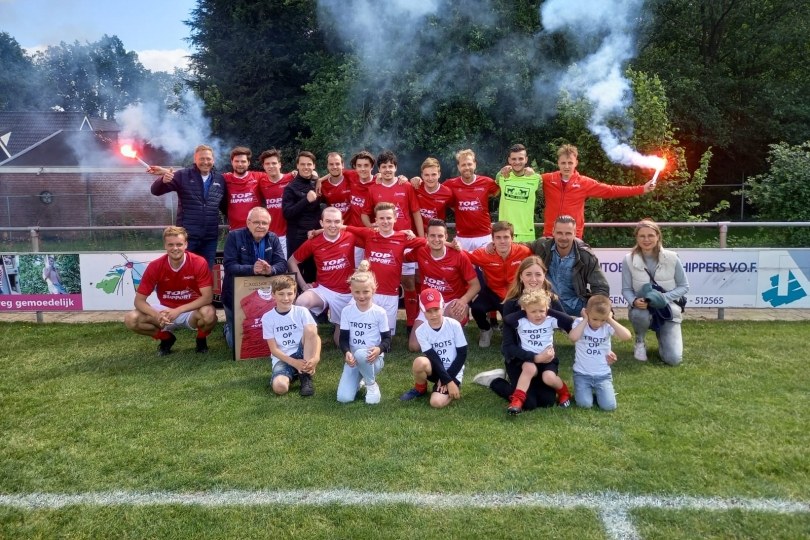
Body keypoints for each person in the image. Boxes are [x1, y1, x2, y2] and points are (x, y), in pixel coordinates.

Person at [473, 256, 565, 410]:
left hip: (545, 360)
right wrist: (534, 357)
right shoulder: (511, 303)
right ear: (521, 276)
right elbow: (507, 347)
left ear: (544, 275)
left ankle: (529, 384)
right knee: (528, 403)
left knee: (547, 401)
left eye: (538, 274)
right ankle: (495, 381)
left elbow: (567, 323)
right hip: (519, 359)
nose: (533, 279)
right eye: (528, 274)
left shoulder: (551, 299)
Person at [124, 226, 217, 356]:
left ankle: (201, 339)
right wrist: (156, 315)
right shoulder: (155, 266)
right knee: (131, 319)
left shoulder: (198, 262)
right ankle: (166, 338)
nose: (175, 248)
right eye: (171, 245)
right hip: (165, 312)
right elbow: (139, 301)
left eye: (179, 244)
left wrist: (178, 310)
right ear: (165, 246)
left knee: (209, 313)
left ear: (186, 245)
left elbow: (207, 297)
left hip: (190, 311)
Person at [540, 144, 656, 238]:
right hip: (550, 234)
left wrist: (641, 189)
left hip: (573, 235)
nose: (566, 166)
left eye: (570, 163)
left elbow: (610, 190)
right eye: (563, 163)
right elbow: (530, 180)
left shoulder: (584, 182)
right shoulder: (547, 179)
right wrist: (529, 172)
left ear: (576, 163)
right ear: (558, 163)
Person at [344, 202, 426, 334]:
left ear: (395, 218)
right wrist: (317, 231)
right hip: (369, 291)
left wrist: (451, 245)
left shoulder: (402, 237)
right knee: (361, 328)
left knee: (387, 335)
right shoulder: (369, 234)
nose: (385, 221)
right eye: (381, 218)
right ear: (375, 220)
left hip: (390, 294)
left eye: (388, 218)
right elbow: (343, 227)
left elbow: (431, 242)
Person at [363, 150, 424, 330]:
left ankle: (411, 322)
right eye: (384, 167)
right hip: (382, 243)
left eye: (391, 166)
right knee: (381, 282)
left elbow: (415, 212)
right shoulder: (373, 188)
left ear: (396, 168)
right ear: (379, 169)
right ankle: (377, 320)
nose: (388, 170)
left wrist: (420, 237)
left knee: (408, 281)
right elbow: (364, 214)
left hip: (404, 241)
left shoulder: (406, 186)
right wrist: (372, 228)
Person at [405, 219, 480, 352]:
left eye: (440, 236)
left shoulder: (459, 255)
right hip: (429, 303)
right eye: (432, 236)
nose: (436, 239)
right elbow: (401, 254)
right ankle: (439, 335)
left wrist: (463, 301)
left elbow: (476, 285)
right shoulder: (420, 251)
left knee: (456, 312)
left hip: (451, 302)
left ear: (446, 236)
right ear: (426, 237)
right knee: (414, 347)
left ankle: (449, 331)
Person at [621, 219, 689, 366]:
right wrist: (634, 301)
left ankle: (663, 335)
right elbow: (626, 290)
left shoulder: (672, 257)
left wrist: (662, 298)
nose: (646, 240)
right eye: (642, 236)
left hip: (668, 309)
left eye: (650, 235)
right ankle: (640, 342)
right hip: (642, 308)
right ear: (636, 237)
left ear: (658, 236)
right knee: (638, 313)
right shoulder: (628, 260)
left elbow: (684, 286)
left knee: (673, 360)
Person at [148, 144, 226, 268]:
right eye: (201, 159)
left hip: (210, 238)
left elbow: (225, 205)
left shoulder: (220, 179)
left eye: (208, 159)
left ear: (213, 160)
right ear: (195, 159)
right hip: (187, 237)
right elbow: (155, 191)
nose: (205, 162)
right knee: (186, 271)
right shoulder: (182, 175)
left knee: (206, 272)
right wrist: (162, 180)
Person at [288, 206, 356, 345]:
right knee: (301, 302)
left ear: (342, 222)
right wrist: (303, 285)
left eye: (336, 221)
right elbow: (291, 261)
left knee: (341, 343)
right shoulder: (314, 242)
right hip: (324, 289)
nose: (332, 225)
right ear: (321, 222)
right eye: (328, 221)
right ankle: (301, 341)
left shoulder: (351, 236)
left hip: (348, 293)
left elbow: (371, 235)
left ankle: (338, 327)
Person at [222, 207, 287, 349]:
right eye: (257, 222)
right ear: (248, 223)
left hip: (264, 295)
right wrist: (252, 269)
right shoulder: (234, 237)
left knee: (265, 338)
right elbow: (229, 266)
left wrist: (271, 269)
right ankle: (227, 328)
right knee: (235, 345)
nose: (260, 226)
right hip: (235, 295)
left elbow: (282, 264)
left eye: (264, 223)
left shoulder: (273, 238)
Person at [503, 289, 574, 415]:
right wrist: (524, 311)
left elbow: (568, 320)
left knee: (548, 377)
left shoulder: (549, 320)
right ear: (525, 310)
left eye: (541, 311)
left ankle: (564, 393)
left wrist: (548, 310)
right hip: (528, 359)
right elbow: (507, 319)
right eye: (533, 311)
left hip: (548, 359)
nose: (538, 315)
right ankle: (517, 400)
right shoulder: (522, 321)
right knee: (529, 368)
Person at [526, 215, 610, 317]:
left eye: (568, 233)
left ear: (575, 233)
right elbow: (519, 248)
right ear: (553, 232)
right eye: (559, 233)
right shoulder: (542, 245)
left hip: (576, 307)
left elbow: (601, 287)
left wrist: (596, 308)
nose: (563, 237)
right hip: (546, 306)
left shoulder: (585, 255)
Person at [399, 288, 468, 408]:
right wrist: (446, 380)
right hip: (436, 368)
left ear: (442, 306)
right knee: (419, 362)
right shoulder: (421, 331)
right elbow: (433, 358)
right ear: (422, 311)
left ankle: (452, 388)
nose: (433, 314)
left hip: (453, 369)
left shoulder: (454, 325)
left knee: (436, 402)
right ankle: (420, 388)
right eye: (428, 311)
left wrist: (449, 380)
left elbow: (462, 354)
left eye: (436, 309)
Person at [467, 221, 531, 347]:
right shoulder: (484, 254)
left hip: (513, 293)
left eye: (506, 237)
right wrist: (450, 244)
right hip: (492, 291)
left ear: (512, 238)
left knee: (511, 321)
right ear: (492, 239)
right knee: (476, 309)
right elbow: (463, 255)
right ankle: (486, 330)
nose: (502, 241)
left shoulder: (524, 251)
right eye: (498, 237)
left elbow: (537, 260)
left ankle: (510, 332)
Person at [336, 261, 391, 404]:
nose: (361, 296)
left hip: (373, 359)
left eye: (366, 291)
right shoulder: (347, 311)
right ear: (351, 290)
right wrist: (347, 353)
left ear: (373, 290)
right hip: (353, 360)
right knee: (343, 398)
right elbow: (343, 339)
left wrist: (379, 349)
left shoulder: (379, 312)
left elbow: (387, 339)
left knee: (361, 353)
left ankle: (371, 384)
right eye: (357, 292)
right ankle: (361, 377)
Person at [568, 295, 631, 411]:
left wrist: (610, 320)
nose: (598, 324)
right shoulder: (579, 322)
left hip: (603, 375)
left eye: (602, 320)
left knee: (609, 406)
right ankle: (586, 392)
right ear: (586, 312)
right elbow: (573, 337)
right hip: (582, 374)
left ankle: (602, 393)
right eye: (594, 319)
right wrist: (585, 320)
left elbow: (627, 336)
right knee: (585, 404)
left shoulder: (607, 325)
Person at [262, 274, 321, 397]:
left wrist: (316, 358)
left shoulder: (302, 311)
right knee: (280, 388)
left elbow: (315, 337)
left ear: (295, 294)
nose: (286, 298)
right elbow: (274, 350)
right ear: (273, 295)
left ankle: (305, 377)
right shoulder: (267, 318)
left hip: (303, 352)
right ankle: (294, 373)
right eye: (281, 294)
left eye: (289, 294)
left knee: (310, 329)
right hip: (283, 358)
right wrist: (294, 363)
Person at [443, 148, 500, 251]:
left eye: (469, 164)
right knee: (462, 262)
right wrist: (418, 181)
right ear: (458, 167)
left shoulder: (487, 182)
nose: (467, 167)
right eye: (463, 165)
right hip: (462, 237)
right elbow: (435, 190)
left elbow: (498, 191)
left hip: (484, 236)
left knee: (485, 262)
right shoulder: (450, 184)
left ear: (475, 164)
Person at [283, 151, 321, 284]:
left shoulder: (316, 183)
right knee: (295, 275)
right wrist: (306, 200)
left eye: (309, 164)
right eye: (303, 164)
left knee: (313, 272)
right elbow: (287, 213)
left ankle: (312, 296)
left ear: (314, 166)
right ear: (297, 166)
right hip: (297, 237)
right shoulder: (290, 187)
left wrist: (319, 179)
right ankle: (295, 296)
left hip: (314, 235)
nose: (306, 167)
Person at [495, 143, 542, 242]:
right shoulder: (502, 176)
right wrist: (501, 171)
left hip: (526, 234)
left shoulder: (535, 178)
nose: (517, 162)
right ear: (509, 160)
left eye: (520, 158)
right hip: (505, 233)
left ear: (526, 159)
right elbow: (494, 185)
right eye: (514, 159)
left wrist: (534, 172)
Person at [258, 148, 295, 258]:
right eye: (267, 164)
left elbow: (311, 174)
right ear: (263, 166)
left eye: (274, 163)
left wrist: (317, 178)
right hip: (271, 234)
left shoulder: (291, 178)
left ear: (280, 164)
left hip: (290, 233)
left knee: (288, 265)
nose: (271, 166)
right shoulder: (261, 182)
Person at [222, 146, 263, 231]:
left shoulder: (258, 176)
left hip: (255, 230)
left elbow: (278, 178)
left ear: (248, 163)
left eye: (243, 161)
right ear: (232, 162)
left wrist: (291, 175)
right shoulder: (224, 178)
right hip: (234, 230)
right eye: (236, 161)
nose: (240, 164)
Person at [413, 157, 454, 231]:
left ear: (439, 174)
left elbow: (458, 210)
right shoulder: (415, 187)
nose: (430, 178)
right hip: (416, 234)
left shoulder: (447, 193)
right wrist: (401, 177)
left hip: (436, 234)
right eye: (426, 175)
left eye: (433, 174)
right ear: (422, 175)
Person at [319, 152, 352, 220]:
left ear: (342, 165)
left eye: (337, 164)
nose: (334, 167)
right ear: (327, 166)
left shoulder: (351, 179)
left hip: (352, 225)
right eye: (331, 164)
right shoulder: (322, 185)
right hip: (334, 225)